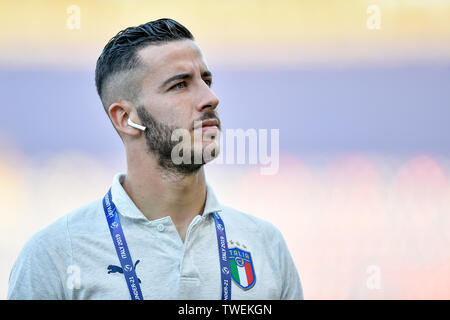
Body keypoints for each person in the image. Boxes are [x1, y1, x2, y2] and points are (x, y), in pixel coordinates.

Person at [7, 18, 303, 300]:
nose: (210, 97)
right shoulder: (56, 254)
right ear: (126, 118)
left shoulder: (265, 245)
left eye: (206, 79)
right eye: (179, 85)